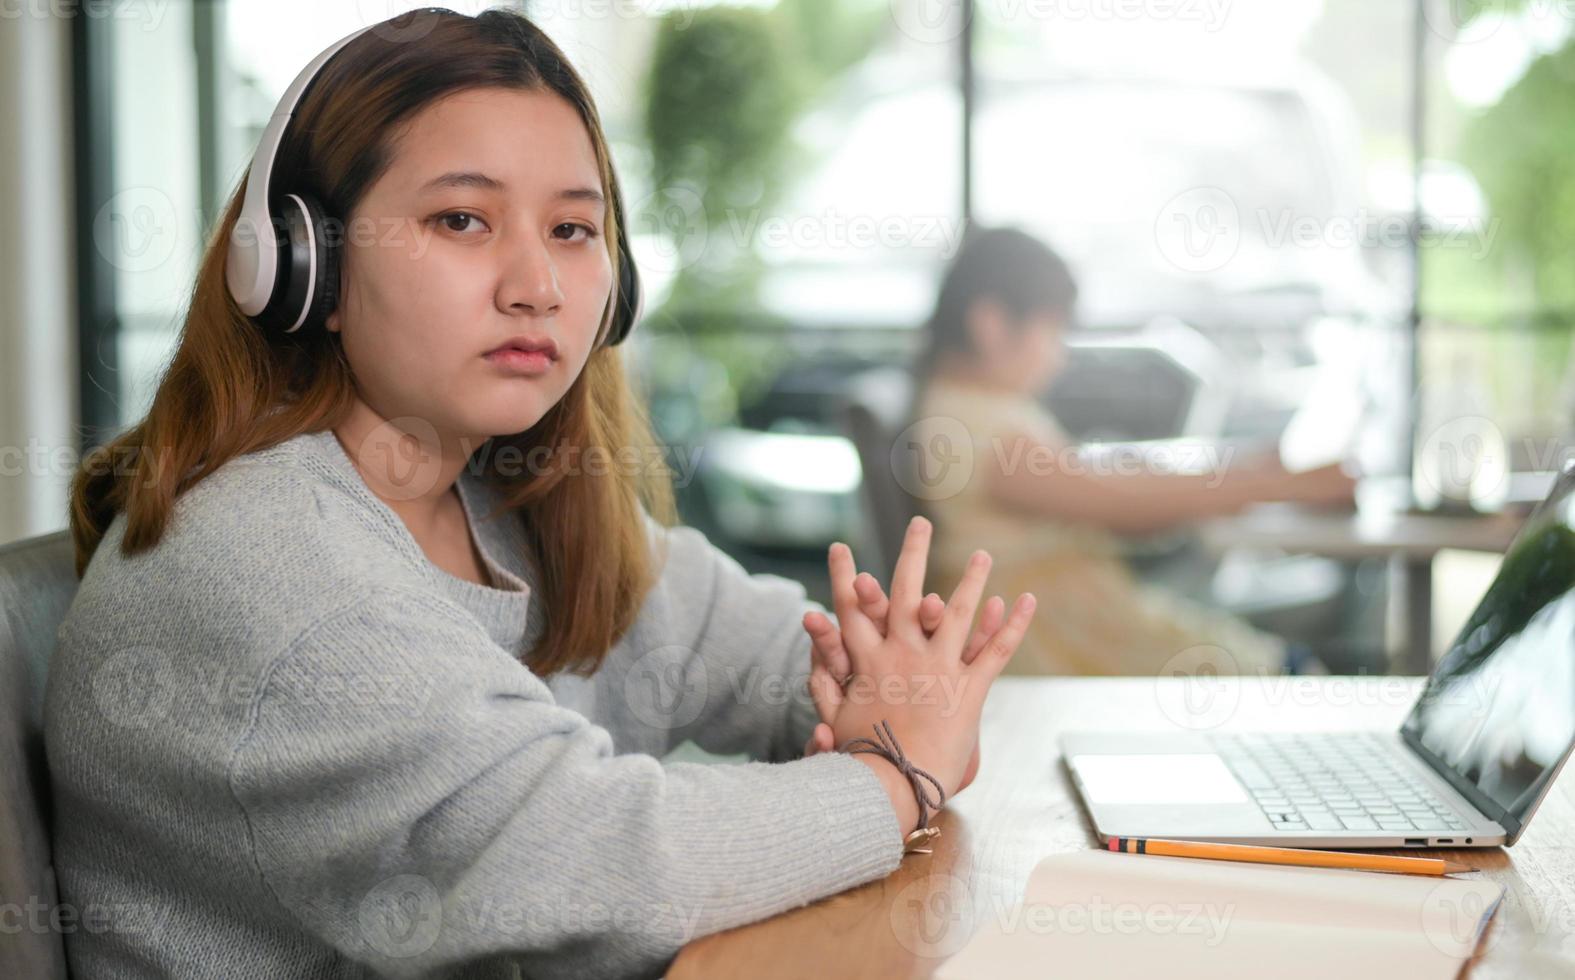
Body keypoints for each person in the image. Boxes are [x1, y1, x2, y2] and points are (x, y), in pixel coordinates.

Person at [43, 11, 1035, 979]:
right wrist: (892, 775)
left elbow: (764, 652)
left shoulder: (501, 499)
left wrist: (886, 691)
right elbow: (595, 862)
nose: (537, 285)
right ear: (310, 266)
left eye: (572, 228)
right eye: (461, 219)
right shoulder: (267, 562)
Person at [907, 226, 1357, 677]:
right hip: (1060, 641)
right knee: (1288, 671)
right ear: (990, 324)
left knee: (1273, 660)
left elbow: (1093, 484)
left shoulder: (971, 408)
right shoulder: (976, 428)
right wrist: (1280, 485)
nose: (1057, 356)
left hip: (1074, 625)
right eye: (1052, 331)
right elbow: (1122, 506)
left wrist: (1244, 475)